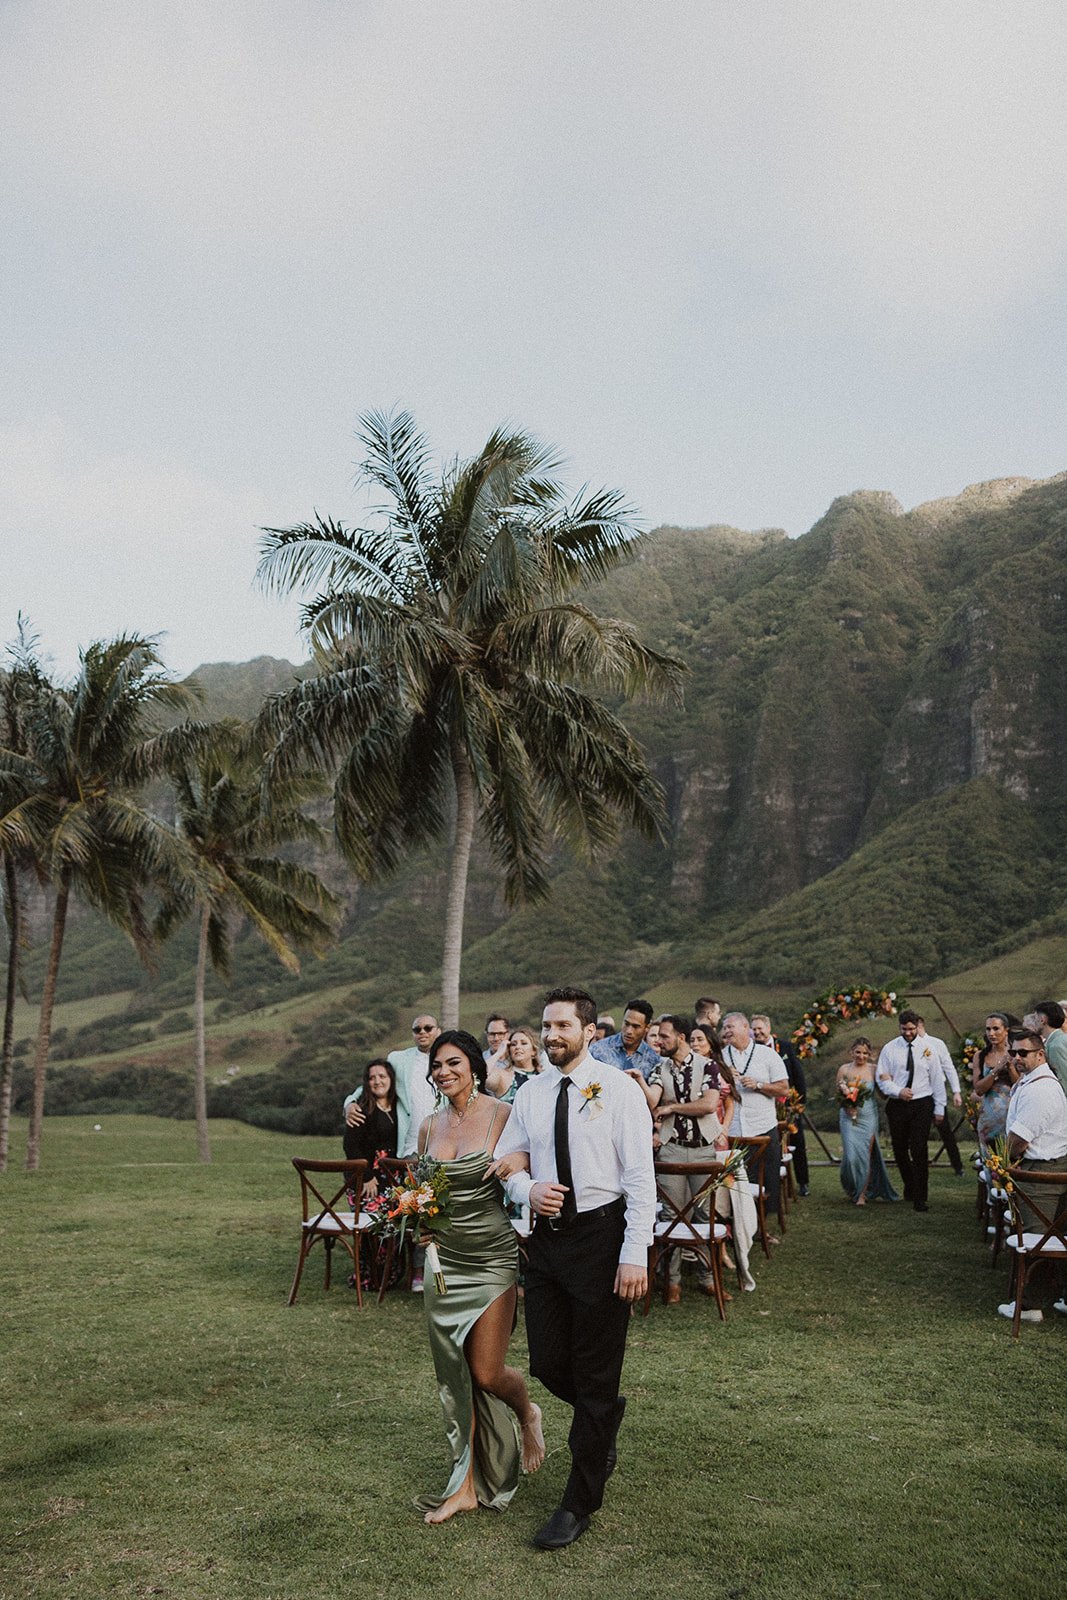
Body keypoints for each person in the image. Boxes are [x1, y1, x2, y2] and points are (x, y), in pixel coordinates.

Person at [488, 986, 655, 1551]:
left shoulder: (618, 1091)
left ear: (589, 1032)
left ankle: (578, 1502)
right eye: (546, 1026)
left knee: (597, 1371)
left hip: (603, 1239)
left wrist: (635, 1253)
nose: (552, 1034)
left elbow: (640, 1180)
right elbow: (507, 1162)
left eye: (562, 1026)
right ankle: (602, 1415)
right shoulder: (530, 1094)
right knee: (548, 1361)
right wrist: (527, 1188)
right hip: (547, 1245)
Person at [415, 1029, 545, 1522]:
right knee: (455, 1378)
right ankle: (464, 1485)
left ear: (473, 1065)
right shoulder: (429, 1126)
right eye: (436, 1066)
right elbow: (422, 1188)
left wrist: (516, 1161)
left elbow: (527, 1166)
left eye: (452, 1063)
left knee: (487, 1373)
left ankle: (527, 1412)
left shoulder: (504, 1114)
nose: (443, 1072)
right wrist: (418, 1221)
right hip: (445, 1264)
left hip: (491, 1258)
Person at [652, 1016, 725, 1303]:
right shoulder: (659, 1067)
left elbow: (709, 1105)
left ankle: (708, 1278)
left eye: (664, 1036)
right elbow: (652, 1102)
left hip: (703, 1147)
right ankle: (673, 1283)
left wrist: (671, 1108)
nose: (659, 1041)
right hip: (671, 1147)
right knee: (672, 1216)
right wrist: (639, 1085)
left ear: (680, 1037)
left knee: (704, 1215)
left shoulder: (707, 1065)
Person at [996, 1028, 1067, 1324]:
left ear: (1041, 1055)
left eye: (1023, 1053)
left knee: (1038, 1240)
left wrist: (1001, 1163)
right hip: (1041, 1168)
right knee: (1049, 1238)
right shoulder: (1032, 1082)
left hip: (1042, 1172)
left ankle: (1030, 1305)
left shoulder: (1042, 1090)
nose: (1016, 1058)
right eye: (1013, 1053)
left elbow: (1019, 1139)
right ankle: (1054, 1297)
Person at [720, 1011, 789, 1218]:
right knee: (734, 1181)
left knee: (766, 1179)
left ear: (744, 1028)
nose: (726, 1031)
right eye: (724, 1028)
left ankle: (763, 1227)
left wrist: (758, 1085)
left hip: (762, 1128)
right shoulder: (721, 1057)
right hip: (732, 1130)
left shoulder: (767, 1054)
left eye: (730, 1027)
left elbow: (784, 1089)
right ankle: (736, 1225)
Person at [875, 1010, 945, 1212]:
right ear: (900, 1027)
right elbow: (882, 1077)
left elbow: (937, 1079)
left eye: (911, 1029)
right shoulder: (890, 1049)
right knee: (899, 1148)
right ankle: (910, 1184)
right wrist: (898, 1091)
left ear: (918, 1026)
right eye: (904, 1029)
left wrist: (939, 1107)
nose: (908, 1033)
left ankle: (920, 1196)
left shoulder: (927, 1048)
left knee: (919, 1148)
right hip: (897, 1104)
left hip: (922, 1102)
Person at [344, 1014, 440, 1159]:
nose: (422, 1032)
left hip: (443, 1142)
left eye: (428, 1028)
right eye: (417, 1029)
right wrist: (350, 1102)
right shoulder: (398, 1059)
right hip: (411, 1146)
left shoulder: (447, 1059)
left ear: (438, 1031)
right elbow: (373, 1084)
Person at [751, 1013, 810, 1195]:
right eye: (754, 1029)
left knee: (797, 1141)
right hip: (763, 1104)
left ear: (769, 1029)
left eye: (760, 1028)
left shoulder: (784, 1047)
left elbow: (798, 1075)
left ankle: (803, 1182)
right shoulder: (751, 1050)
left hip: (788, 1104)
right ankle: (769, 1184)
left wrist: (798, 1103)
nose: (757, 1032)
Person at [835, 1039, 897, 1205]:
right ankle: (851, 1186)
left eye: (864, 1053)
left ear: (869, 1055)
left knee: (864, 1156)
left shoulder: (874, 1069)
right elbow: (838, 1095)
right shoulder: (844, 1069)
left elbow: (883, 1093)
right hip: (848, 1117)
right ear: (852, 1052)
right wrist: (847, 1105)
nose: (861, 1056)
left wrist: (891, 1082)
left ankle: (861, 1194)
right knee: (850, 1156)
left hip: (868, 1117)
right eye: (858, 1052)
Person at [915, 1015, 965, 1176]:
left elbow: (948, 1067)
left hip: (936, 1091)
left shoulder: (936, 1044)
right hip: (918, 1093)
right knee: (918, 1131)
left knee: (945, 1129)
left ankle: (957, 1166)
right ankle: (918, 1165)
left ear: (920, 1025)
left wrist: (956, 1091)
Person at [342, 1057, 398, 1194]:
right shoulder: (360, 1110)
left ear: (391, 1078)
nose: (377, 1081)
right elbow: (350, 1146)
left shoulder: (399, 1107)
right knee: (369, 1215)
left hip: (393, 1176)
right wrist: (367, 1177)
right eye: (372, 1078)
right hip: (367, 1176)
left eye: (382, 1076)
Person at [971, 1013, 1018, 1152]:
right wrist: (995, 1070)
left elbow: (1020, 1084)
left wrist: (1010, 1067)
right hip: (989, 1118)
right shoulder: (981, 1056)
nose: (991, 1033)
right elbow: (978, 1089)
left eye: (996, 1029)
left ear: (1006, 1030)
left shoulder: (1016, 1054)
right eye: (988, 1029)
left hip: (1011, 1116)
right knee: (990, 1162)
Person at [590, 999, 662, 1082]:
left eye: (635, 1026)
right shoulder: (597, 1050)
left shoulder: (653, 1060)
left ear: (647, 1028)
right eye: (626, 1024)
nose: (629, 1031)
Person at [485, 1025, 540, 1103]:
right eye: (513, 1044)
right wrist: (499, 1053)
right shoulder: (503, 1076)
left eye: (523, 1043)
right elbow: (479, 1075)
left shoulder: (543, 1076)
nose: (517, 1047)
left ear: (533, 1051)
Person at [1030, 1002, 1067, 1091]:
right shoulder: (1058, 1040)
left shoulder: (1055, 1046)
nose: (1033, 1022)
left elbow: (1063, 1079)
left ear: (1043, 1020)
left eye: (1035, 1018)